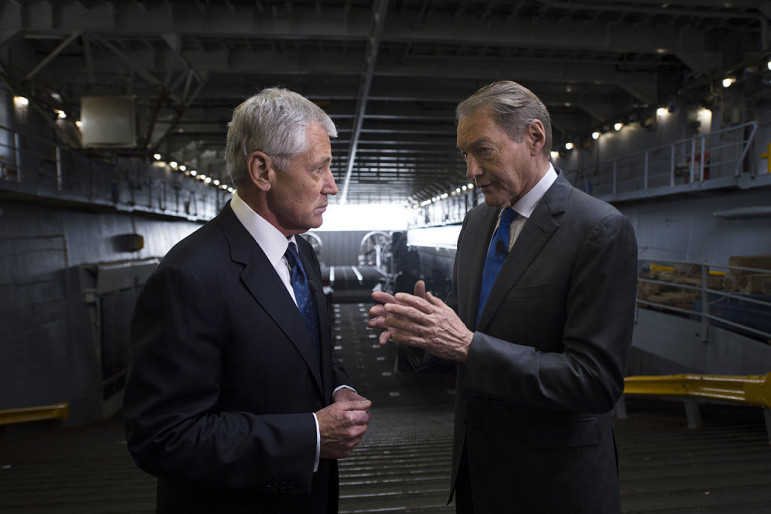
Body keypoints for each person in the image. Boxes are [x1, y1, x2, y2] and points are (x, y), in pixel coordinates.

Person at [369, 81, 638, 513]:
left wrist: (467, 346)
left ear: (534, 137)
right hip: (478, 475)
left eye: (483, 151)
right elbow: (472, 326)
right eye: (465, 155)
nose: (471, 170)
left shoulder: (599, 229)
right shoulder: (478, 222)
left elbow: (595, 381)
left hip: (556, 488)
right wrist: (421, 333)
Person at [124, 87, 371, 514]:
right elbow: (162, 437)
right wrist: (310, 436)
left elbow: (304, 352)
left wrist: (339, 387)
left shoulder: (300, 251)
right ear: (263, 171)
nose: (332, 186)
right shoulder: (190, 275)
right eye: (319, 169)